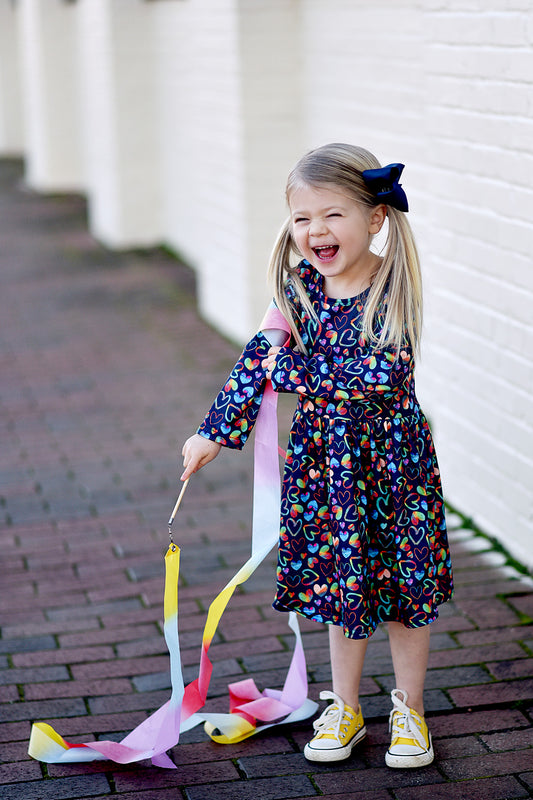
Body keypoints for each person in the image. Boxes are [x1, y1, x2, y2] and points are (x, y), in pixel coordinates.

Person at [181, 143, 453, 769]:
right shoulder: (299, 290)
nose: (315, 231)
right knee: (341, 582)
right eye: (302, 218)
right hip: (326, 465)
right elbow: (258, 359)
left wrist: (294, 369)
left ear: (374, 219)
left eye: (332, 215)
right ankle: (347, 707)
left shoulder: (392, 284)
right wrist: (215, 433)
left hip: (392, 464)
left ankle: (409, 709)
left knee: (403, 589)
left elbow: (380, 374)